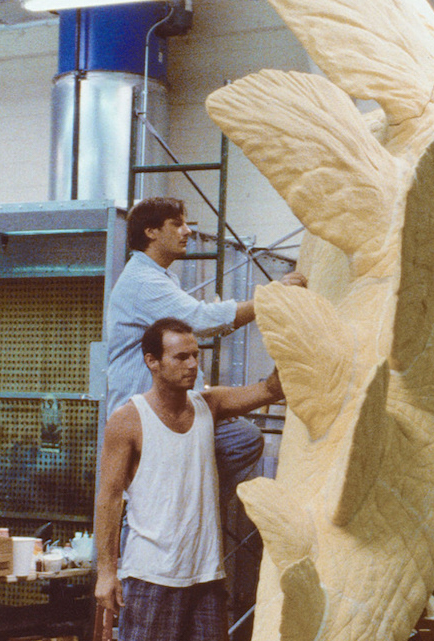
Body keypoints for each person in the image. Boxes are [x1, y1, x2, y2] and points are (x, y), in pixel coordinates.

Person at [95, 317, 284, 641]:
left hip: (204, 573)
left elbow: (269, 388)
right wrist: (106, 571)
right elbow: (109, 498)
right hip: (151, 571)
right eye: (180, 356)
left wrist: (292, 318)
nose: (192, 364)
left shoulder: (208, 404)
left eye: (195, 354)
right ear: (152, 361)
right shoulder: (128, 420)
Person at [105, 195, 305, 494]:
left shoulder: (160, 278)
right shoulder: (145, 282)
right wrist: (272, 297)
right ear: (151, 232)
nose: (186, 231)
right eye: (177, 224)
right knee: (147, 499)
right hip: (148, 418)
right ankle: (191, 493)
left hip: (170, 410)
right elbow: (200, 319)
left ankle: (192, 494)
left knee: (241, 439)